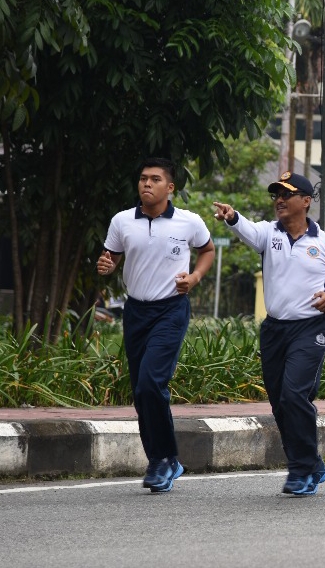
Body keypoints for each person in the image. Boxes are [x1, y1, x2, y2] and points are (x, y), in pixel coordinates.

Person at [213, 172, 325, 496]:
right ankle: (313, 464)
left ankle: (302, 470)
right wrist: (232, 217)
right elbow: (248, 229)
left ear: (306, 201)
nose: (279, 199)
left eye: (287, 194)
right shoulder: (268, 234)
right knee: (281, 402)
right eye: (276, 194)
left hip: (311, 327)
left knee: (294, 395)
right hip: (275, 330)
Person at [98, 157, 214, 494]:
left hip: (170, 310)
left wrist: (194, 277)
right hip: (136, 312)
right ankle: (160, 460)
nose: (146, 184)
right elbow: (112, 256)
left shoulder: (188, 222)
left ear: (170, 187)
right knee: (140, 391)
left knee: (151, 383)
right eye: (143, 179)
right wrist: (107, 264)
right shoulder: (122, 221)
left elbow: (207, 251)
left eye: (154, 179)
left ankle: (164, 459)